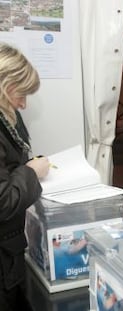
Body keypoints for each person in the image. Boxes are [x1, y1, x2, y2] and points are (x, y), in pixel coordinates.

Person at [0, 43, 51, 310]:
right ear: (6, 85)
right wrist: (31, 172)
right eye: (21, 94)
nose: (23, 103)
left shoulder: (8, 117)